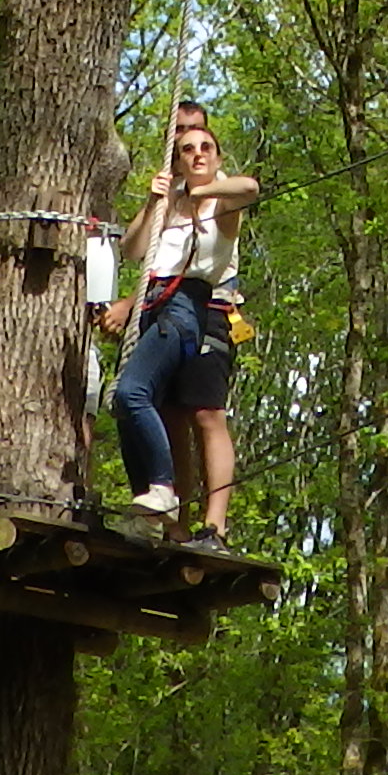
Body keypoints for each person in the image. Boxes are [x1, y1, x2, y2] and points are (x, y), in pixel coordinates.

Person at [101, 103, 261, 537]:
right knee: (165, 413)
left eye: (204, 143)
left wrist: (201, 190)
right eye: (186, 145)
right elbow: (136, 251)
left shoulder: (221, 199)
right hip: (158, 305)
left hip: (206, 306)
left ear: (217, 154)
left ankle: (213, 524)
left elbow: (249, 188)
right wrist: (158, 200)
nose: (196, 152)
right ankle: (174, 523)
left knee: (206, 413)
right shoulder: (170, 201)